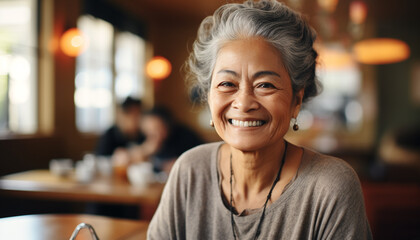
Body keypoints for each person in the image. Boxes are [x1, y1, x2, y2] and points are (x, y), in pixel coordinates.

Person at [148, 0, 372, 239]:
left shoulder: (330, 187)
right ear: (209, 96)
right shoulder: (190, 171)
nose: (243, 103)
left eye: (265, 85)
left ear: (296, 100)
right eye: (227, 84)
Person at [140, 106, 204, 174]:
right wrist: (144, 151)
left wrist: (179, 164)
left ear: (167, 125)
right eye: (149, 130)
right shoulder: (145, 139)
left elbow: (200, 160)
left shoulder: (184, 136)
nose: (153, 133)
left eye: (157, 128)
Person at [95, 97, 146, 163]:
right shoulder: (110, 135)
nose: (137, 119)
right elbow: (100, 159)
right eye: (133, 115)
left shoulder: (143, 134)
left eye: (139, 115)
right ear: (123, 115)